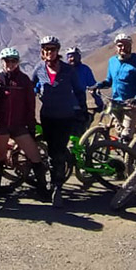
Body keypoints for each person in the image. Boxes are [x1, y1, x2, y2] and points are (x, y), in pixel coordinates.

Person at [30, 35, 87, 208]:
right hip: (47, 116)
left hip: (65, 117)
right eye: (46, 49)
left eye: (52, 49)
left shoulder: (68, 70)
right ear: (42, 51)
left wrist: (82, 110)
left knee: (58, 152)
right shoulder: (39, 68)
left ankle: (57, 188)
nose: (49, 52)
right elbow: (31, 87)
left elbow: (79, 90)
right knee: (50, 150)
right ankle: (51, 181)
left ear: (58, 51)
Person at [0, 47, 46, 199]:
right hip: (1, 124)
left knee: (34, 155)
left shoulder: (24, 80)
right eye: (7, 60)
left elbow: (30, 104)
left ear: (18, 62)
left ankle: (42, 187)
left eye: (14, 61)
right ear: (2, 62)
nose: (10, 63)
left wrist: (31, 125)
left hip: (19, 125)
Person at [91, 32, 136, 140]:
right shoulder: (112, 61)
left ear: (130, 46)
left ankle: (131, 154)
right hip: (115, 103)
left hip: (131, 106)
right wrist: (98, 86)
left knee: (126, 136)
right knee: (119, 132)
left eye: (126, 45)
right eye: (120, 45)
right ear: (116, 47)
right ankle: (129, 150)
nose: (123, 48)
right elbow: (109, 81)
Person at [65, 47, 97, 126]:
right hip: (64, 102)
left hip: (80, 101)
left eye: (75, 56)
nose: (72, 59)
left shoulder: (84, 69)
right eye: (70, 56)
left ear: (79, 57)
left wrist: (99, 102)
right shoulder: (62, 69)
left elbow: (93, 86)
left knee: (81, 125)